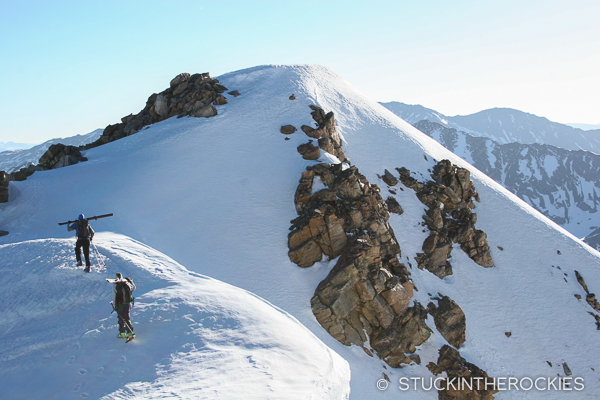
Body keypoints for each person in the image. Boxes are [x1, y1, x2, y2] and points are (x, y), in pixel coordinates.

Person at [110, 272, 136, 339]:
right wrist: (130, 281)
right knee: (126, 318)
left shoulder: (115, 285)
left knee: (121, 318)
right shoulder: (126, 283)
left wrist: (115, 306)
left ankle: (123, 333)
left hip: (120, 304)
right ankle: (130, 332)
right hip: (127, 303)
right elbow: (133, 288)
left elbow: (114, 296)